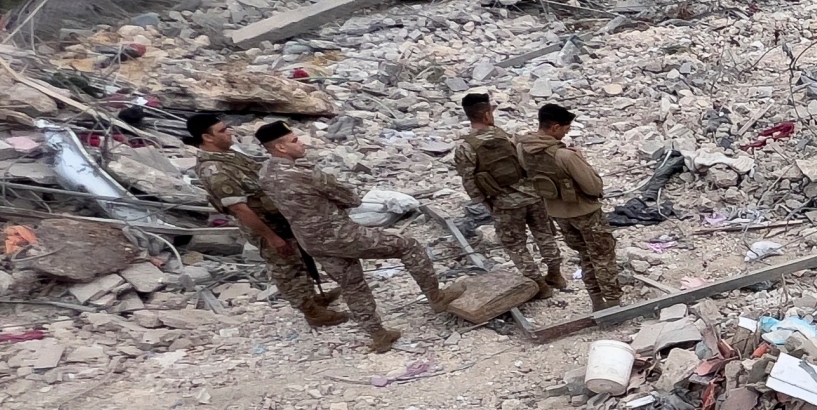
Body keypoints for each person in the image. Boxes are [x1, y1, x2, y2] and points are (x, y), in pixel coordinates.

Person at [255, 121, 459, 352]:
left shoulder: (265, 173)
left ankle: (378, 335)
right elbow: (351, 199)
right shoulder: (303, 173)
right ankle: (436, 296)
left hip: (310, 241)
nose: (301, 143)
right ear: (280, 147)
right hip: (340, 235)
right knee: (407, 245)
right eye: (294, 140)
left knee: (351, 284)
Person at [186, 112, 346, 329]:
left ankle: (314, 297)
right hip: (267, 226)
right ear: (207, 138)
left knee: (300, 261)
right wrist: (271, 237)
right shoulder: (215, 169)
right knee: (287, 267)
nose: (229, 133)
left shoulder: (230, 156)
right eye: (222, 130)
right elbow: (239, 207)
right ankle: (311, 311)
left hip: (279, 218)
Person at [451, 92, 561, 293]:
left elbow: (468, 179)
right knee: (544, 234)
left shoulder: (465, 147)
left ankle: (540, 285)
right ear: (486, 115)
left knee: (515, 245)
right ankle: (556, 273)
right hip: (532, 195)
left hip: (504, 203)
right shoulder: (506, 136)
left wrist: (483, 202)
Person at [519, 103, 622, 311]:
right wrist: (580, 159)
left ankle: (596, 301)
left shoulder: (523, 148)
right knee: (602, 257)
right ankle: (613, 303)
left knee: (584, 256)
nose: (566, 133)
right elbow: (593, 187)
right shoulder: (565, 155)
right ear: (555, 127)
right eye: (565, 129)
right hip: (585, 212)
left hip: (558, 213)